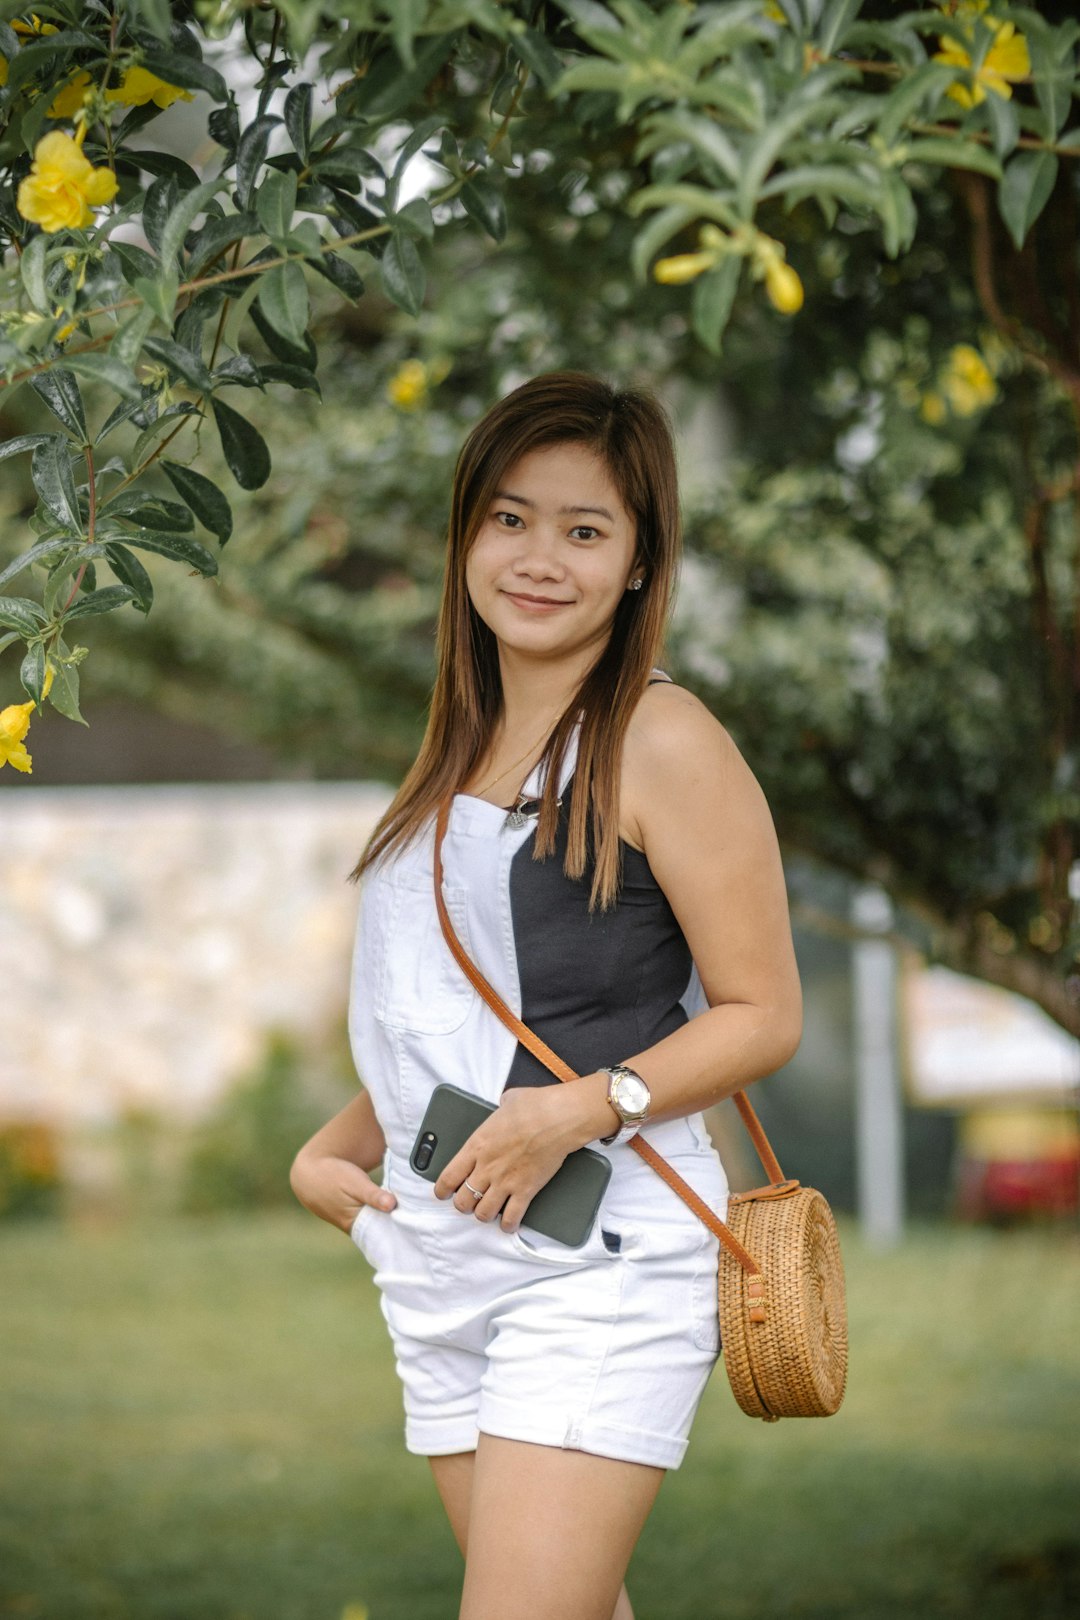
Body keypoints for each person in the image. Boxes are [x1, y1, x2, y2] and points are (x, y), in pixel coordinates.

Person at [290, 371, 803, 1620]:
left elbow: (764, 1013)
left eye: (586, 530)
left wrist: (584, 1109)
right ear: (467, 530)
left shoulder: (661, 741)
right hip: (437, 1254)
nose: (539, 558)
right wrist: (338, 1148)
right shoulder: (457, 743)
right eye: (511, 519)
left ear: (638, 563)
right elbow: (450, 1015)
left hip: (597, 1258)